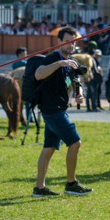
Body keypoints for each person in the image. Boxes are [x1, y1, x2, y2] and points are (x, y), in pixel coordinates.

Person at [33, 26, 93, 197]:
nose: (70, 45)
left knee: (49, 148)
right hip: (52, 111)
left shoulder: (72, 61)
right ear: (59, 42)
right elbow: (38, 74)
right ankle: (71, 184)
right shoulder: (52, 58)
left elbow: (76, 81)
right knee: (75, 143)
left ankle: (39, 188)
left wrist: (79, 94)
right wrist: (60, 63)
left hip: (59, 109)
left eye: (73, 42)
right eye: (66, 42)